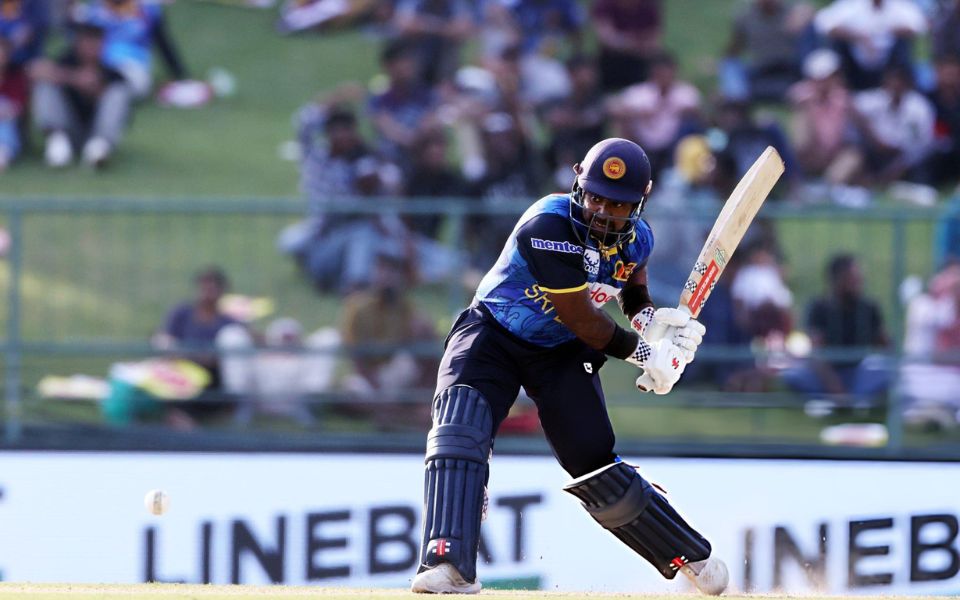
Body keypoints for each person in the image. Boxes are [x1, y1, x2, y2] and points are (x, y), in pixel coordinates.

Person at [410, 138, 728, 595]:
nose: (602, 211)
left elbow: (630, 289)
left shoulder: (640, 238)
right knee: (460, 429)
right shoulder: (548, 226)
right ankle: (449, 565)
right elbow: (581, 319)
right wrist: (646, 354)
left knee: (594, 460)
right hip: (493, 334)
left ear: (640, 201)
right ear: (578, 183)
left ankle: (688, 554)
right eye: (595, 196)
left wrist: (652, 322)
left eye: (617, 204)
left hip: (559, 354)